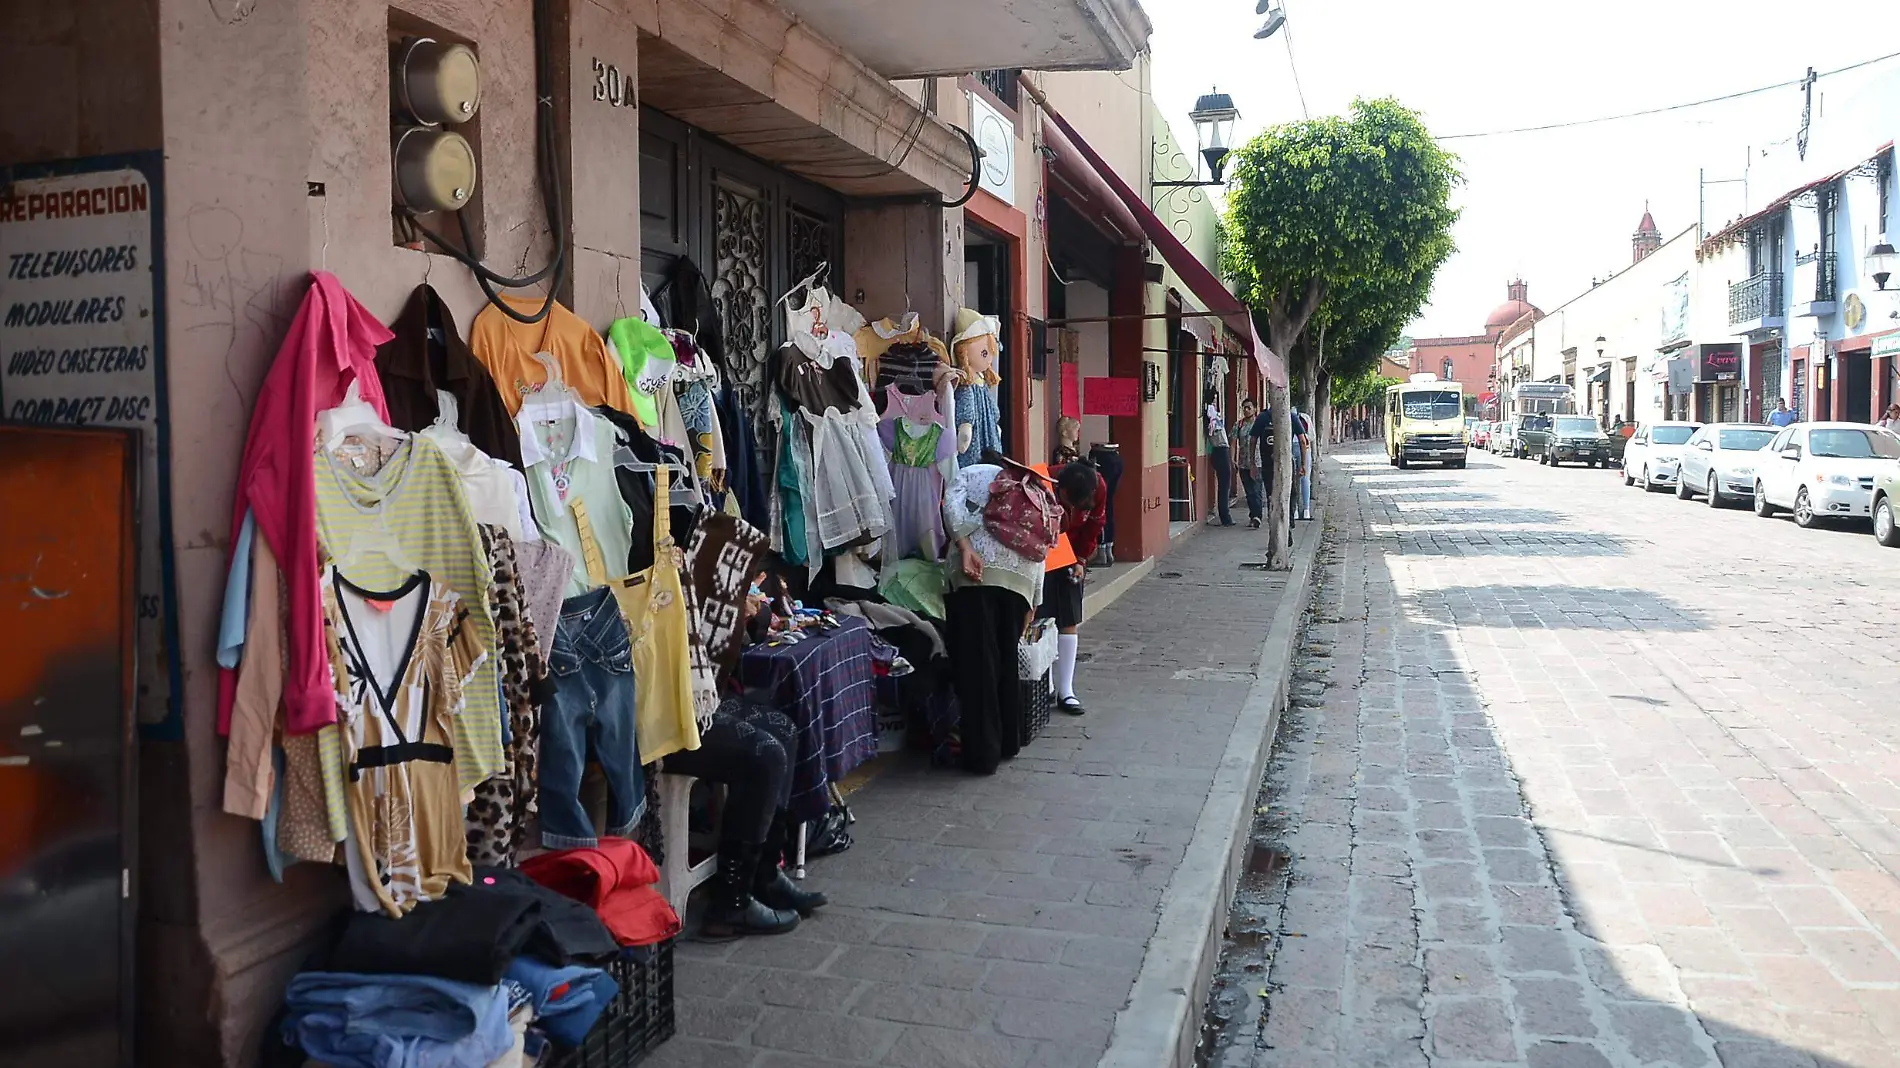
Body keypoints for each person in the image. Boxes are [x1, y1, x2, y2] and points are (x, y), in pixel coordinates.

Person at [943, 458, 1047, 774]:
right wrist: (1034, 601)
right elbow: (1043, 541)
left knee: (978, 665)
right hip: (1022, 578)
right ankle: (1008, 742)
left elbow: (950, 505)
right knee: (1005, 659)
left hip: (977, 572)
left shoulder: (969, 473)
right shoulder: (1034, 487)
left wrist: (963, 547)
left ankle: (982, 756)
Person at [1034, 460, 1107, 715]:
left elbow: (1095, 525)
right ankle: (1047, 686)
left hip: (1072, 553)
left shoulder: (1099, 487)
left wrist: (1081, 559)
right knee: (1040, 618)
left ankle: (1066, 690)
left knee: (1069, 616)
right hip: (1041, 550)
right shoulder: (1043, 481)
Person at [1233, 398, 1265, 529]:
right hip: (1243, 463)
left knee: (1256, 490)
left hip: (1258, 462)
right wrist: (1232, 459)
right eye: (1244, 408)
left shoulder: (1260, 423)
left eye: (1249, 407)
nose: (1246, 410)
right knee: (1249, 491)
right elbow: (1233, 442)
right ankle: (1254, 515)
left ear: (1255, 409)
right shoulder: (1239, 425)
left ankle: (1257, 516)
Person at [1205, 390, 1234, 526]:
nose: (1216, 401)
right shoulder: (1211, 413)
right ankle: (1225, 516)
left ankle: (1225, 514)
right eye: (1214, 398)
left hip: (1220, 450)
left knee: (1224, 484)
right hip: (1220, 449)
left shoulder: (1213, 413)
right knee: (1224, 484)